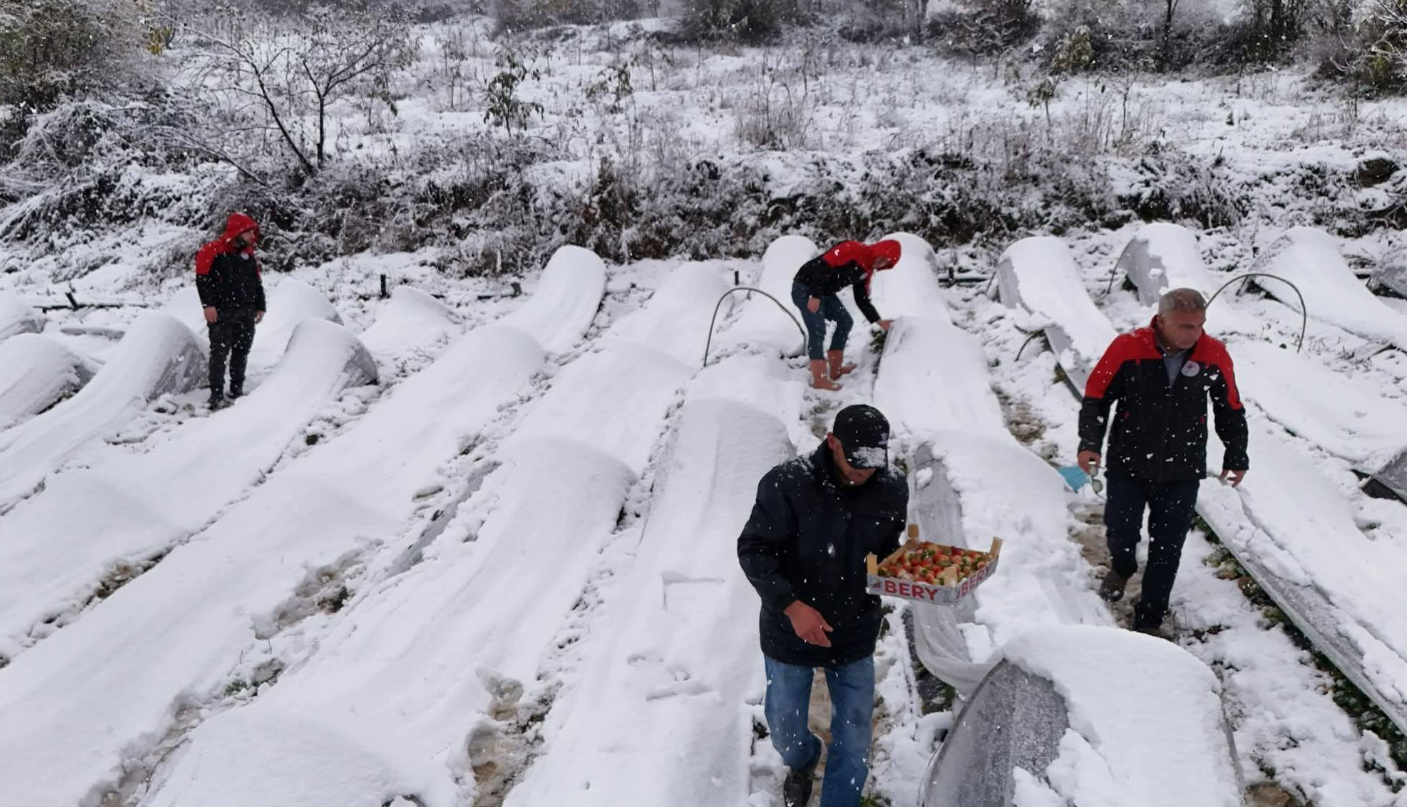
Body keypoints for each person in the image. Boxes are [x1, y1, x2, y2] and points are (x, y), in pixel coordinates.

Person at [738, 404, 908, 807]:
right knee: (785, 729)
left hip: (854, 626)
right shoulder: (787, 484)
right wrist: (792, 606)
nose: (863, 472)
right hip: (790, 627)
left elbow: (885, 550)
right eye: (855, 461)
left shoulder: (892, 486)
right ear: (832, 442)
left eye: (872, 463)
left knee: (853, 736)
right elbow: (754, 548)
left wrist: (901, 569)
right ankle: (803, 759)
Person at [1077, 288, 1249, 636]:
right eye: (1186, 326)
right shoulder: (1128, 347)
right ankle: (1122, 567)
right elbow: (1097, 396)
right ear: (1162, 320)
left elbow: (1229, 406)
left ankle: (1150, 618)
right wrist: (1089, 443)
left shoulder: (1213, 353)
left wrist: (1236, 453)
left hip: (1182, 467)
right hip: (1129, 461)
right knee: (1121, 531)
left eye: (1200, 325)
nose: (1194, 334)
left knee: (1167, 546)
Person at [791, 240, 901, 391]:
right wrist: (815, 296)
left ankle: (836, 370)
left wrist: (878, 320)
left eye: (886, 263)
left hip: (824, 292)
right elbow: (821, 266)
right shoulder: (852, 248)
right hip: (805, 286)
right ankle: (819, 379)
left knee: (845, 321)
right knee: (817, 329)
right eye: (882, 258)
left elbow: (861, 299)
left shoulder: (866, 271)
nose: (881, 263)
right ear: (878, 250)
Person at [195, 213, 266, 408]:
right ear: (238, 231)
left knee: (242, 351)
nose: (253, 236)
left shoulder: (248, 254)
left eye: (253, 231)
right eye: (249, 231)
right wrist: (207, 305)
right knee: (219, 353)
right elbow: (203, 280)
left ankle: (237, 390)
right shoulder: (213, 251)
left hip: (246, 311)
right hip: (221, 311)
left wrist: (260, 306)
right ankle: (216, 395)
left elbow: (256, 281)